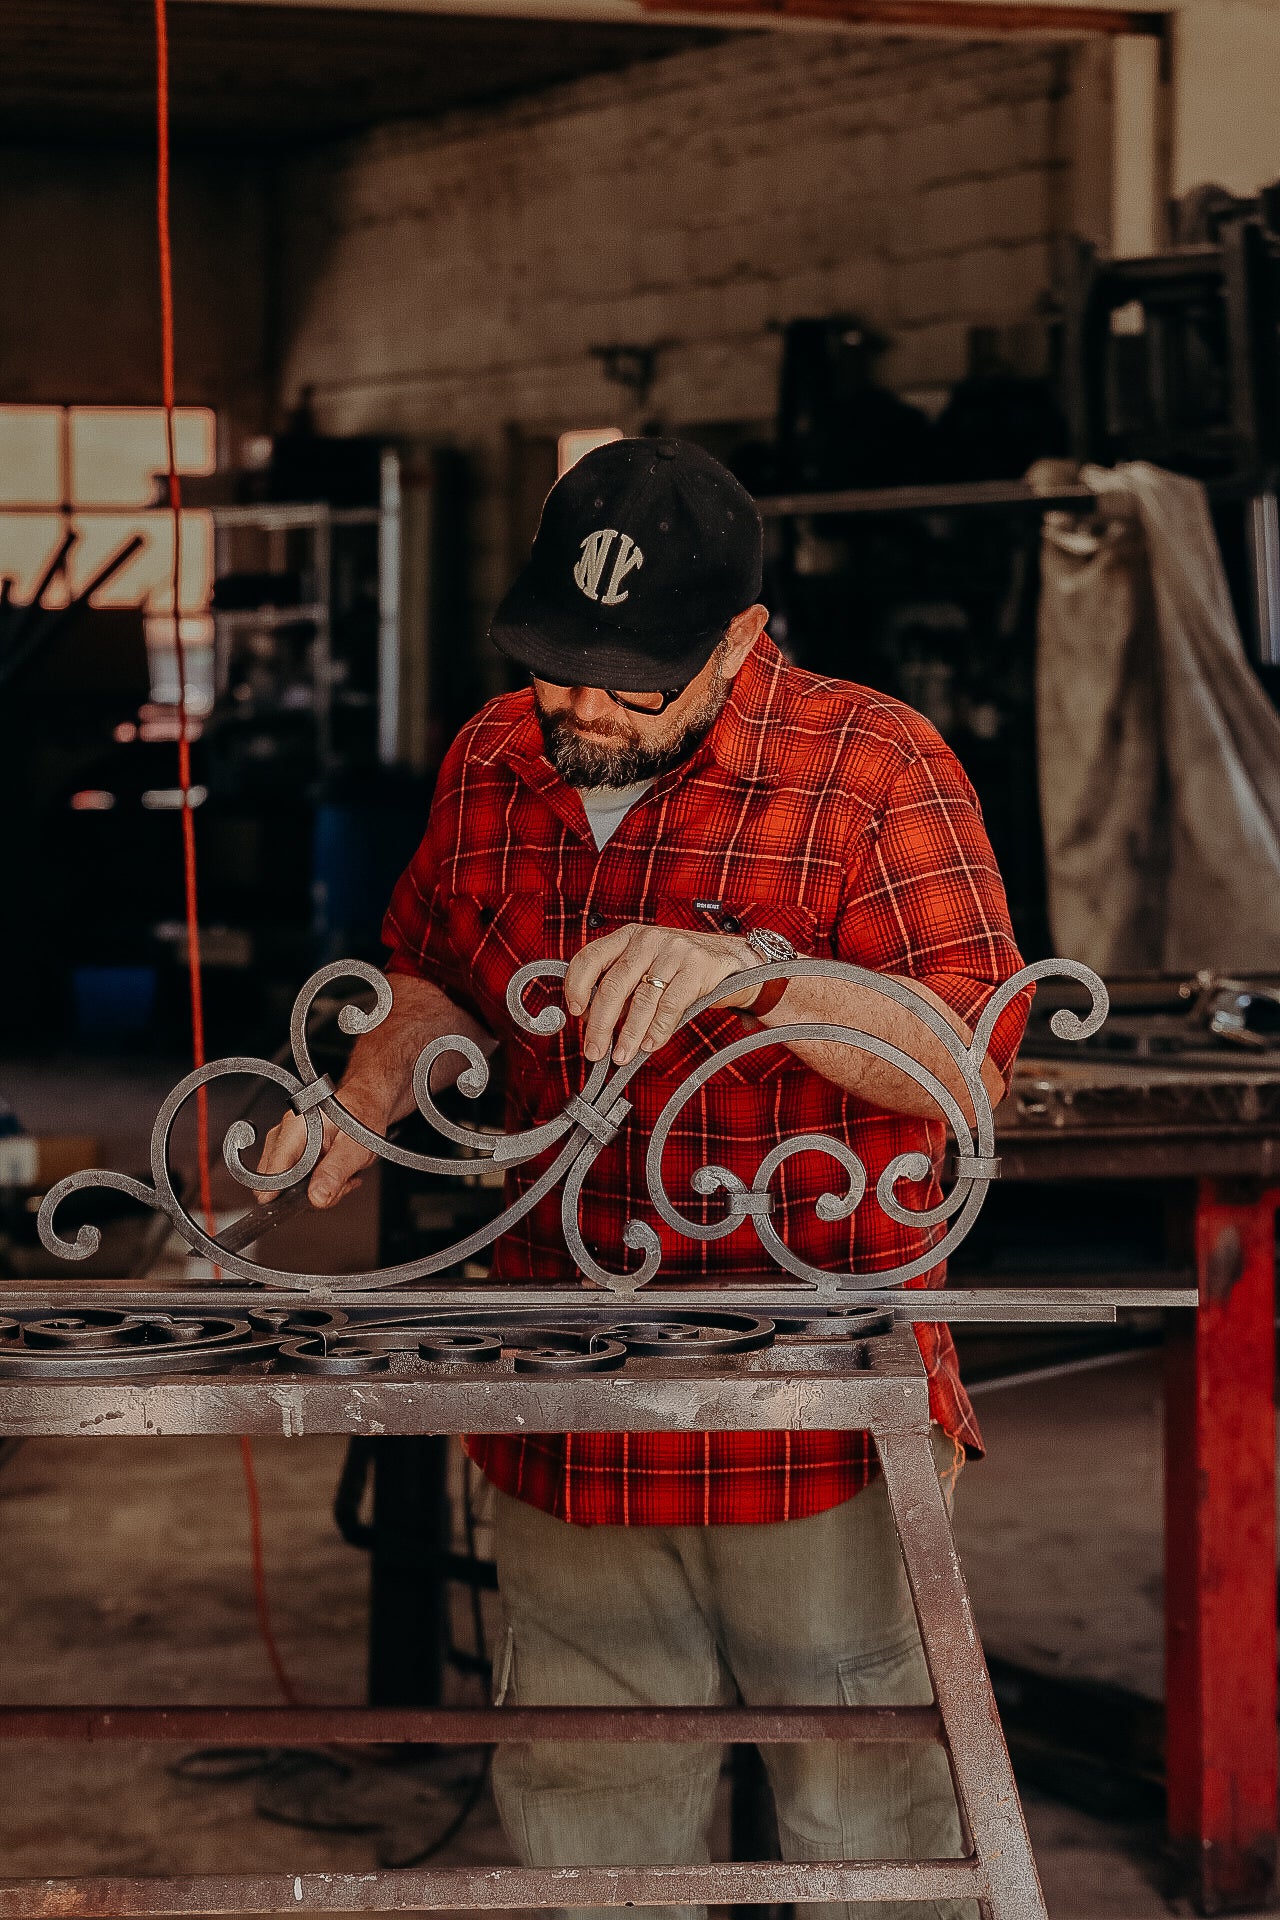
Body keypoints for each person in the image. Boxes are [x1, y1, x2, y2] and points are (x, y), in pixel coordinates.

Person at [257, 438, 1029, 1920]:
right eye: (560, 665)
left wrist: (753, 975)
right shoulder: (496, 754)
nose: (584, 710)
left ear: (742, 638)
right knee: (588, 1792)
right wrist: (364, 1087)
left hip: (806, 1387)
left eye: (633, 680)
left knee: (867, 1794)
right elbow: (437, 976)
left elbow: (967, 1068)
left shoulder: (873, 769)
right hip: (565, 1366)